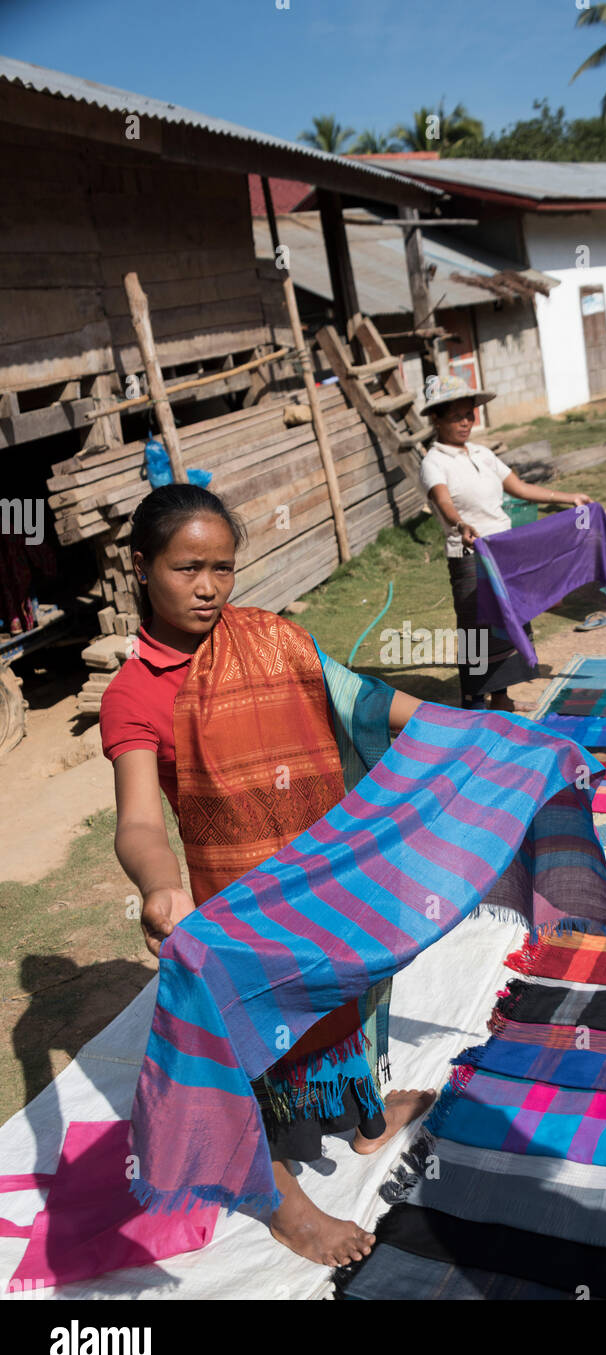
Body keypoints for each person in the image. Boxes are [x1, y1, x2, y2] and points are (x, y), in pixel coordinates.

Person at [100, 483, 435, 1269]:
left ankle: (363, 1117)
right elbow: (141, 821)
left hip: (323, 878)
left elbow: (371, 702)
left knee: (353, 988)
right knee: (241, 1037)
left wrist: (487, 736)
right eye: (187, 568)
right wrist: (158, 885)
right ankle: (278, 1197)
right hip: (239, 902)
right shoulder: (135, 692)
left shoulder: (275, 640)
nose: (209, 587)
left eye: (223, 567)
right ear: (142, 567)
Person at [419, 376, 592, 711]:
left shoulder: (483, 454)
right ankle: (473, 701)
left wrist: (568, 497)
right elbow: (443, 502)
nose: (466, 422)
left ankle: (502, 697)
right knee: (476, 630)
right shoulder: (434, 462)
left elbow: (520, 488)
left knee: (511, 622)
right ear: (436, 420)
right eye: (457, 416)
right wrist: (460, 524)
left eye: (469, 414)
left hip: (506, 553)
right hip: (470, 554)